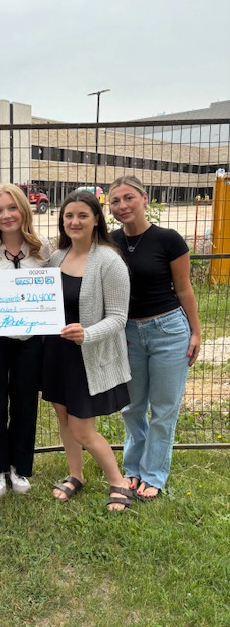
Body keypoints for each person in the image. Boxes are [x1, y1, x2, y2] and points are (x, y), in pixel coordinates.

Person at [109, 175, 201, 500]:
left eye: (128, 197)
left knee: (163, 409)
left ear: (144, 198)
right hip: (128, 333)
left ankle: (154, 474)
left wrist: (195, 332)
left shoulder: (169, 240)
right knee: (132, 407)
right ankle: (133, 468)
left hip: (169, 331)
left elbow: (184, 289)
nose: (122, 205)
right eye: (115, 201)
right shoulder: (109, 242)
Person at [42, 190, 134, 511]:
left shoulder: (109, 261)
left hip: (87, 356)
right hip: (57, 354)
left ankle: (118, 482)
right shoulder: (57, 258)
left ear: (96, 219)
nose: (75, 221)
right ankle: (76, 475)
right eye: (69, 215)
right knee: (64, 419)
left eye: (83, 215)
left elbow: (119, 318)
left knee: (83, 428)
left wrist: (87, 334)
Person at [0, 183, 50, 498]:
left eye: (12, 208)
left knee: (25, 402)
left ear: (24, 210)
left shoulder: (42, 249)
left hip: (29, 337)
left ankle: (19, 466)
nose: (6, 215)